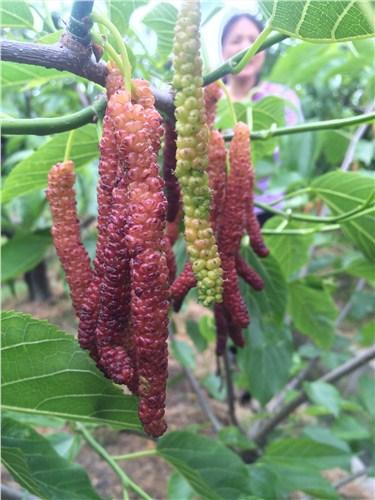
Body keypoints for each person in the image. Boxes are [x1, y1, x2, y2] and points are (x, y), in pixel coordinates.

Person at [219, 12, 303, 223]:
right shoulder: (209, 100)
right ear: (222, 51)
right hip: (219, 211)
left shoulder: (282, 98)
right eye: (236, 40)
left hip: (269, 209)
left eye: (253, 40)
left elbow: (293, 154)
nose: (245, 47)